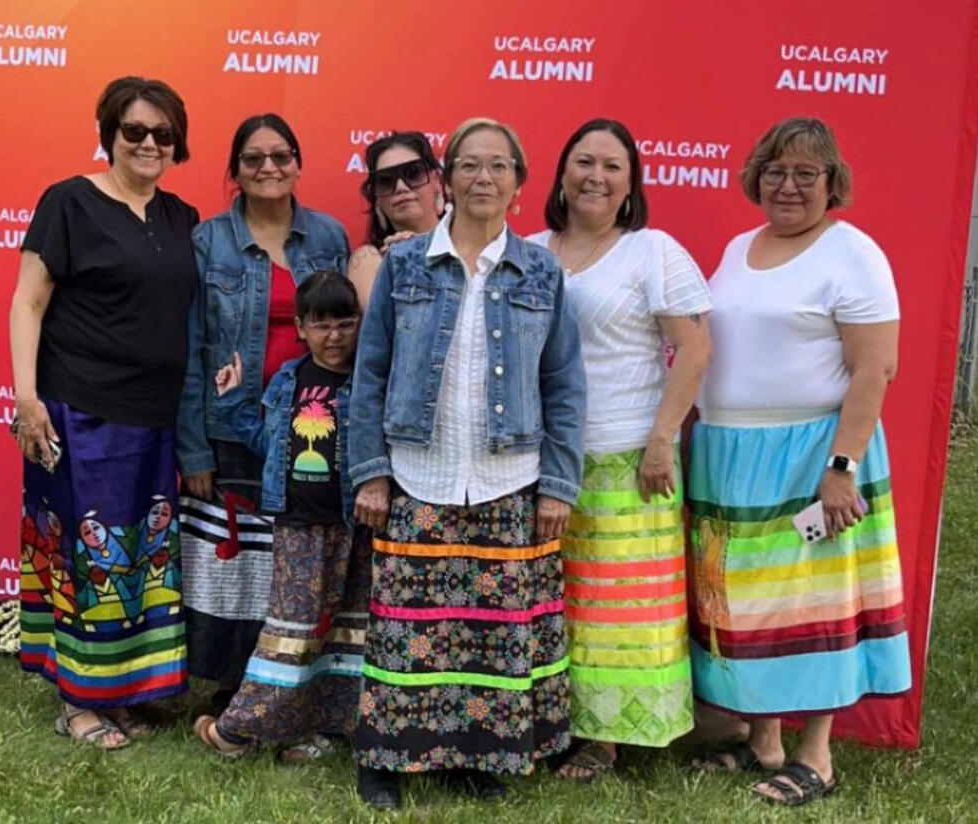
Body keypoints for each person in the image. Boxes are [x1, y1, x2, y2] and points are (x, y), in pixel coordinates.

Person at [348, 117, 586, 809]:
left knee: (491, 632)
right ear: (446, 178)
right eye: (470, 165)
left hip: (508, 479)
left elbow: (564, 383)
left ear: (519, 182)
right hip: (419, 473)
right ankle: (387, 761)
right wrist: (370, 470)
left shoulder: (542, 271)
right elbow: (370, 375)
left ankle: (480, 756)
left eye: (500, 167)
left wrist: (558, 485)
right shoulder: (403, 263)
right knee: (403, 628)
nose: (485, 178)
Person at [688, 117, 911, 806]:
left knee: (817, 598)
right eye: (776, 171)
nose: (788, 186)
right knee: (748, 600)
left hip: (813, 453)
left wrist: (841, 465)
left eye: (806, 174)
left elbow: (875, 369)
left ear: (831, 183)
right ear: (756, 178)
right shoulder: (737, 246)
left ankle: (816, 754)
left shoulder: (853, 254)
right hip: (729, 453)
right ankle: (762, 738)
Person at [10, 76, 198, 749]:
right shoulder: (69, 203)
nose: (149, 143)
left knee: (138, 560)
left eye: (162, 134)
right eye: (135, 131)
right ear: (110, 134)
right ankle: (77, 702)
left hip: (157, 419)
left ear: (177, 143)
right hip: (77, 412)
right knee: (85, 559)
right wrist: (26, 400)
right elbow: (28, 302)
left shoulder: (182, 217)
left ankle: (125, 691)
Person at [528, 119, 712, 780]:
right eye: (583, 161)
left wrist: (662, 438)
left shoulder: (651, 251)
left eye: (612, 166)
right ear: (560, 172)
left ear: (631, 182)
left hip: (630, 458)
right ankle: (554, 723)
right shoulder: (527, 250)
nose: (596, 177)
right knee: (557, 601)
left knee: (617, 610)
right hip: (542, 461)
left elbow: (694, 349)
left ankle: (608, 738)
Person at [176, 114, 350, 714]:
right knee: (241, 567)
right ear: (236, 172)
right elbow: (193, 346)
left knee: (297, 562)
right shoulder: (209, 242)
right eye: (253, 159)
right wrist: (193, 448)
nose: (268, 168)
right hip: (232, 423)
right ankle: (236, 688)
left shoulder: (329, 237)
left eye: (280, 156)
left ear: (298, 164)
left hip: (312, 429)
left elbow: (345, 334)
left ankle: (295, 684)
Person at [193, 271, 370, 762]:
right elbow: (264, 440)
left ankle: (321, 730)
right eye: (320, 325)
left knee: (346, 630)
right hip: (295, 524)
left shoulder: (367, 380)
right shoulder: (289, 379)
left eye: (344, 324)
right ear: (300, 327)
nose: (333, 337)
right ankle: (238, 728)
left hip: (352, 526)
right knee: (292, 629)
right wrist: (230, 399)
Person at [347, 132, 444, 309]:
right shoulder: (369, 260)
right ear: (376, 197)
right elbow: (386, 329)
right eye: (386, 180)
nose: (401, 187)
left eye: (413, 173)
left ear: (437, 181)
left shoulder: (469, 249)